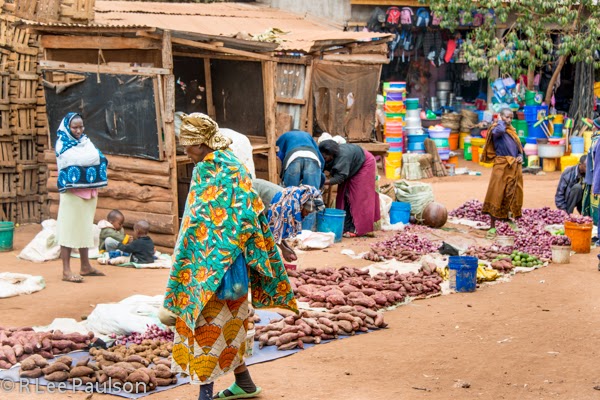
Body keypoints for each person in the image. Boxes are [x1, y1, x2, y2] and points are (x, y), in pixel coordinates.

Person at [159, 113, 297, 400]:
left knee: (205, 327)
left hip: (207, 268)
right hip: (235, 265)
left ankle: (205, 395)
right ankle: (244, 383)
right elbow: (251, 213)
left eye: (190, 145)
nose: (186, 151)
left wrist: (189, 262)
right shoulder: (235, 166)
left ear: (204, 143)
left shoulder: (205, 172)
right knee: (231, 324)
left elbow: (197, 225)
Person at [55, 112, 108, 283]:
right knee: (68, 229)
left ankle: (85, 266)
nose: (78, 130)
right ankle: (66, 271)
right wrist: (88, 159)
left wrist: (86, 160)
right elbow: (75, 159)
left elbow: (96, 156)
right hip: (72, 193)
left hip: (89, 191)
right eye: (74, 127)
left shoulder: (85, 141)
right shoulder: (62, 143)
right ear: (67, 127)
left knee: (85, 227)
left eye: (81, 127)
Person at [318, 140, 381, 237]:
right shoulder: (330, 157)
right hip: (351, 166)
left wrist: (322, 182)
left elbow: (339, 178)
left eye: (325, 158)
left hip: (364, 165)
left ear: (332, 154)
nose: (324, 160)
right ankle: (345, 227)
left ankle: (357, 229)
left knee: (358, 197)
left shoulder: (343, 157)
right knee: (343, 195)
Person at [252, 178, 324, 262]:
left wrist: (286, 247)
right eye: (307, 211)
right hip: (250, 193)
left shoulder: (293, 201)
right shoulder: (286, 206)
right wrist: (284, 249)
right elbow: (269, 229)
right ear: (301, 206)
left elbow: (277, 230)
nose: (307, 214)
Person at [480, 108, 524, 235]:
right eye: (506, 117)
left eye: (511, 118)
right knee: (496, 193)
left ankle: (507, 218)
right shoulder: (496, 128)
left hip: (513, 165)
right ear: (500, 117)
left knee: (512, 192)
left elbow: (518, 148)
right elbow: (499, 130)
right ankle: (492, 225)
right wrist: (500, 122)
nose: (509, 120)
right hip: (501, 165)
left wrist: (520, 156)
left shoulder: (512, 131)